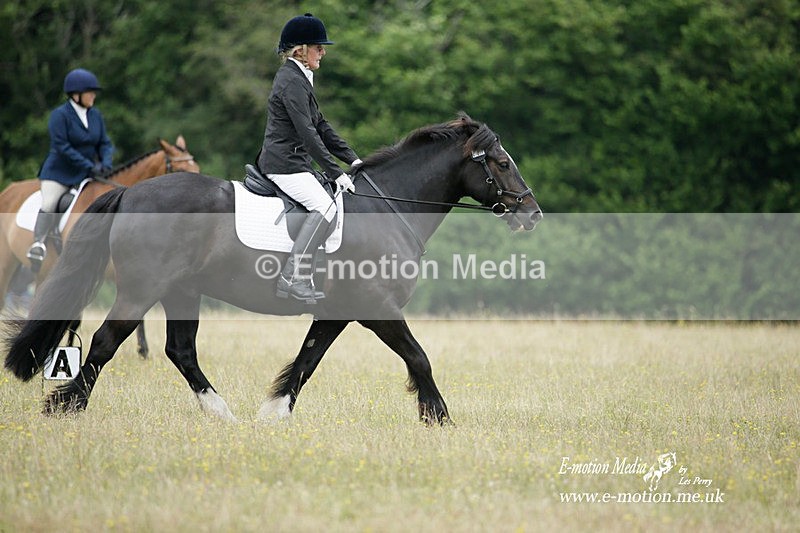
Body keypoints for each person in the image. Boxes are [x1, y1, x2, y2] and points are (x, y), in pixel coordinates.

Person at [257, 13, 361, 303]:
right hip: (284, 165)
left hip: (294, 164)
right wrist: (335, 172)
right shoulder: (291, 81)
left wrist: (353, 161)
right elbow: (307, 134)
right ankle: (293, 277)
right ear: (300, 50)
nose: (323, 52)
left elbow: (321, 125)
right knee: (326, 207)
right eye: (318, 47)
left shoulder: (299, 79)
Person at [26, 68, 114, 273]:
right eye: (90, 92)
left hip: (87, 174)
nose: (93, 96)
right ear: (76, 95)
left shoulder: (95, 115)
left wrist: (106, 162)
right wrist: (89, 165)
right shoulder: (60, 115)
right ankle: (38, 244)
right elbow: (62, 148)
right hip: (59, 174)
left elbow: (105, 143)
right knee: (49, 202)